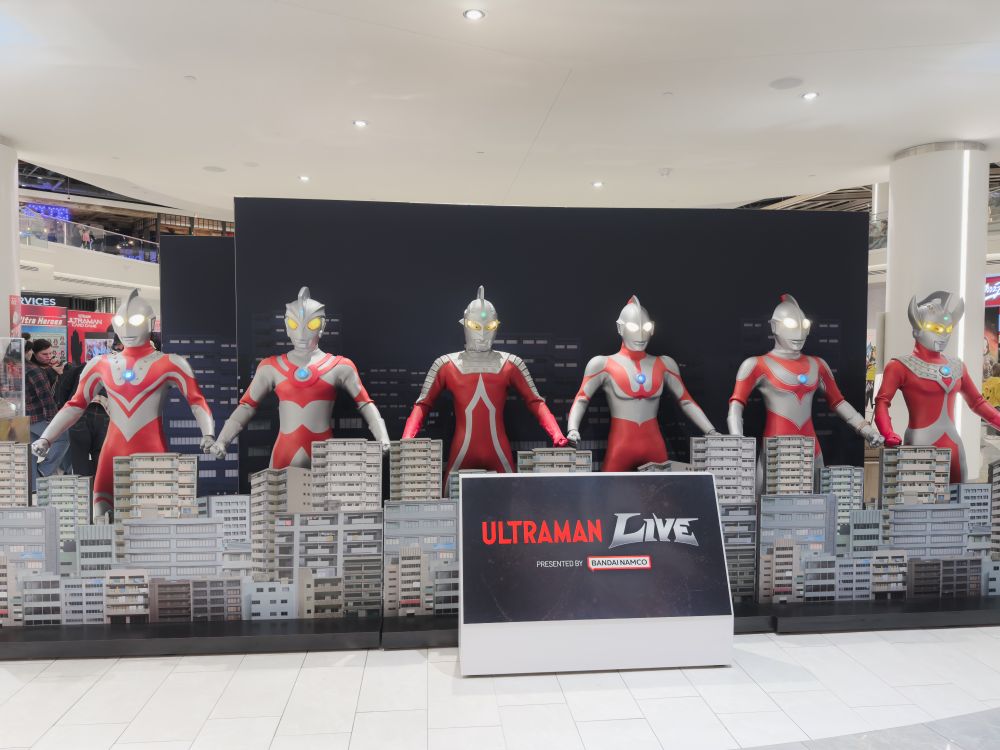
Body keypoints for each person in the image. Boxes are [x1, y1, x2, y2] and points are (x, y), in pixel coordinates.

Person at [32, 290, 215, 516]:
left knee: (157, 518)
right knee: (101, 520)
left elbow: (196, 400)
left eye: (135, 321)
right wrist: (47, 437)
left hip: (152, 454)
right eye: (121, 321)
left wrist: (208, 434)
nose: (128, 328)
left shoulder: (171, 363)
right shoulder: (101, 363)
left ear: (150, 323)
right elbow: (76, 404)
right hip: (113, 452)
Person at [209, 287, 389, 468]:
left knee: (329, 495)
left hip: (323, 454)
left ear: (322, 325)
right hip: (284, 453)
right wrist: (223, 441)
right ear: (287, 325)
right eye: (295, 325)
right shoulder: (270, 367)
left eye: (311, 325)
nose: (302, 333)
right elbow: (247, 406)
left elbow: (365, 404)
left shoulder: (340, 366)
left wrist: (383, 437)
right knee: (276, 493)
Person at [402, 286, 568, 482]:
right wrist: (406, 441)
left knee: (508, 502)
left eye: (489, 327)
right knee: (452, 504)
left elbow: (535, 402)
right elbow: (423, 404)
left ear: (496, 327)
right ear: (464, 325)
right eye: (475, 326)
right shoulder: (446, 365)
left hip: (495, 451)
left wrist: (558, 436)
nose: (482, 334)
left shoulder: (510, 364)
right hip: (466, 450)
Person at [566, 295, 719, 471]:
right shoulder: (602, 364)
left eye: (645, 327)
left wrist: (711, 431)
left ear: (652, 328)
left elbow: (686, 400)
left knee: (663, 495)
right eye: (632, 327)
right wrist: (572, 429)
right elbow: (582, 398)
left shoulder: (665, 364)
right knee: (610, 494)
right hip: (620, 446)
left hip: (654, 445)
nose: (640, 334)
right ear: (620, 328)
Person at [25, 339, 70, 487]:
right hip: (38, 415)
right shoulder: (33, 370)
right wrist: (53, 420)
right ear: (31, 352)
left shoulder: (13, 366)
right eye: (44, 353)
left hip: (22, 416)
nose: (48, 356)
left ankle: (33, 486)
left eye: (50, 353)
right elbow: (45, 395)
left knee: (29, 451)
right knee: (63, 438)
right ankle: (42, 472)